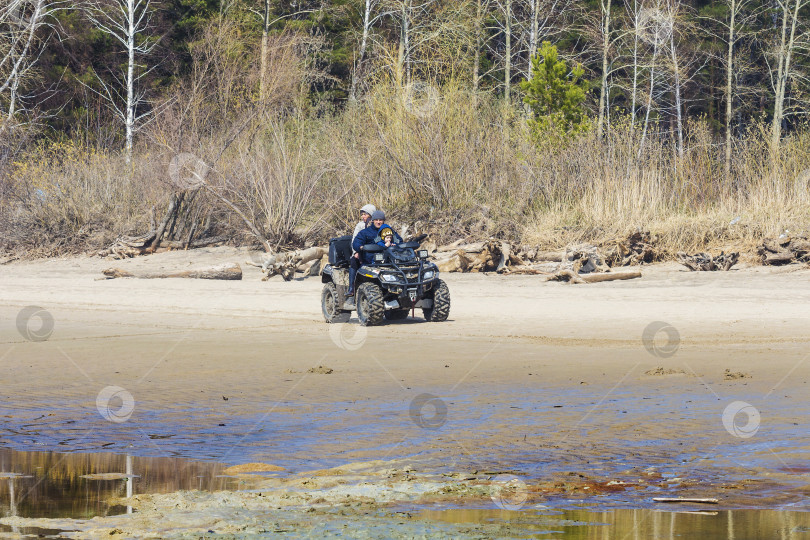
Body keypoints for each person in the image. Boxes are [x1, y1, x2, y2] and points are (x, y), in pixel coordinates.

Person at [348, 204, 376, 296]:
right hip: (360, 251)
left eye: (365, 214)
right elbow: (354, 240)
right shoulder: (360, 225)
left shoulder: (377, 225)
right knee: (354, 261)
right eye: (362, 214)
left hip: (375, 252)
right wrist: (356, 252)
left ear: (371, 215)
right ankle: (351, 287)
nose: (363, 216)